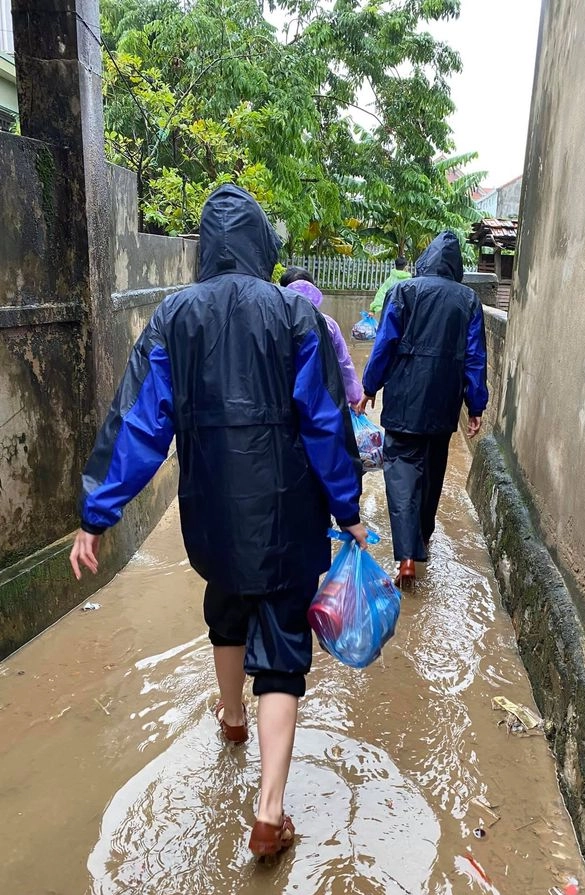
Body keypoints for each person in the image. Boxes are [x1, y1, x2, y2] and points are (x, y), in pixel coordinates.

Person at [70, 185, 366, 858]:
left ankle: (231, 719)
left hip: (212, 516)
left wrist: (96, 514)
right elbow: (326, 425)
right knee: (284, 653)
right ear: (262, 245)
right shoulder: (297, 319)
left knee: (226, 611)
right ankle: (269, 814)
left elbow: (137, 426)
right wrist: (347, 509)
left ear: (204, 248)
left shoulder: (175, 318)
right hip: (290, 517)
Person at [360, 230, 487, 591]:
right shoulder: (468, 301)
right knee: (432, 475)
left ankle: (406, 557)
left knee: (401, 475)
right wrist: (475, 404)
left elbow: (385, 343)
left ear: (426, 259)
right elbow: (476, 357)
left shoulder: (404, 292)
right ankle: (425, 540)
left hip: (403, 403)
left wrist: (370, 387)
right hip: (443, 407)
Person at [278, 268, 362, 409]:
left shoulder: (275, 323)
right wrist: (354, 397)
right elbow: (343, 363)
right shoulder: (328, 324)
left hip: (282, 399)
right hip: (321, 399)